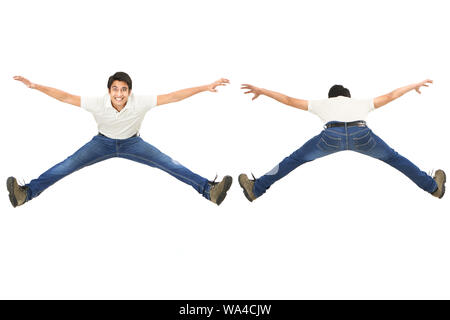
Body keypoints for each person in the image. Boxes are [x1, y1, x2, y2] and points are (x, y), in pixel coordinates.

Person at [7, 72, 233, 207]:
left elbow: (173, 96)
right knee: (66, 165)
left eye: (124, 89)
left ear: (130, 92)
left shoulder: (140, 101)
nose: (119, 94)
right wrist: (35, 86)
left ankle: (209, 191)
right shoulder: (97, 102)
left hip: (133, 143)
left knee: (169, 163)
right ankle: (25, 194)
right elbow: (65, 97)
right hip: (101, 143)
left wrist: (205, 87)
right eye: (115, 89)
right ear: (108, 91)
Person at [238, 80, 446, 201]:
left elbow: (289, 100)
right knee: (394, 159)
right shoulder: (360, 102)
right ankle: (433, 188)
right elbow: (391, 95)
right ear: (348, 95)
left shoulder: (323, 103)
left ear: (331, 97)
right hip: (361, 134)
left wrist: (263, 91)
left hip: (331, 136)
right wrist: (413, 86)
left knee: (293, 160)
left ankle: (255, 189)